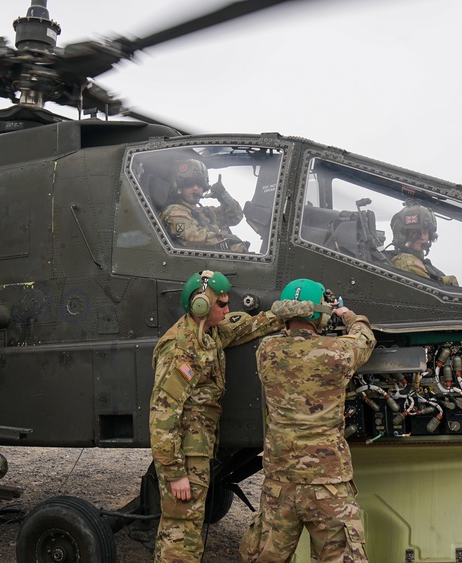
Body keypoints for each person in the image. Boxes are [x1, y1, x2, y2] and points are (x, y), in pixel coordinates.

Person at [150, 270, 286, 562]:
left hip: (195, 450)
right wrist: (175, 474)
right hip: (184, 457)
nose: (227, 309)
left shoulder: (209, 333)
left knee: (178, 529)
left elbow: (245, 327)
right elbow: (162, 415)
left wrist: (283, 313)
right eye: (221, 304)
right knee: (181, 537)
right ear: (200, 306)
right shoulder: (181, 350)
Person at [240, 278, 377, 562]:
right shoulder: (337, 352)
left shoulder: (266, 351)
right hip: (327, 483)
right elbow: (364, 337)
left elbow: (281, 334)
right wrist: (345, 313)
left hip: (281, 481)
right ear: (317, 314)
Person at [160, 158, 250, 252]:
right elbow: (192, 237)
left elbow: (235, 217)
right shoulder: (174, 211)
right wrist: (227, 239)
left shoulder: (204, 213)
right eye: (189, 183)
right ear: (178, 186)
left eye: (200, 183)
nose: (195, 188)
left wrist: (224, 195)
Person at [390, 201, 459, 286]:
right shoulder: (407, 262)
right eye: (416, 233)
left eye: (425, 232)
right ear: (403, 236)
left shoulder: (420, 261)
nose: (422, 237)